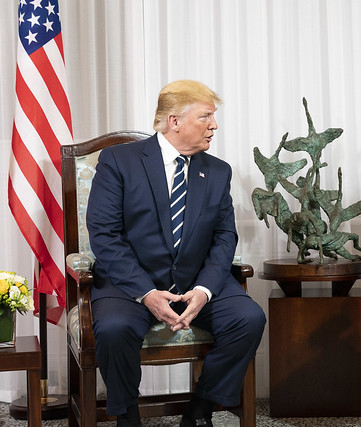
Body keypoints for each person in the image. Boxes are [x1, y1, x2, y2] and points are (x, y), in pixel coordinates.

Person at [86, 80, 266, 427]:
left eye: (213, 117)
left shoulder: (217, 170)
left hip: (197, 281)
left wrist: (204, 290)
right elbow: (105, 236)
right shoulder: (118, 161)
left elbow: (224, 237)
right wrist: (147, 293)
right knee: (113, 329)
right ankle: (127, 414)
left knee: (248, 319)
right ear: (174, 121)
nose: (214, 125)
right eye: (206, 116)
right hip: (132, 283)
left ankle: (201, 408)